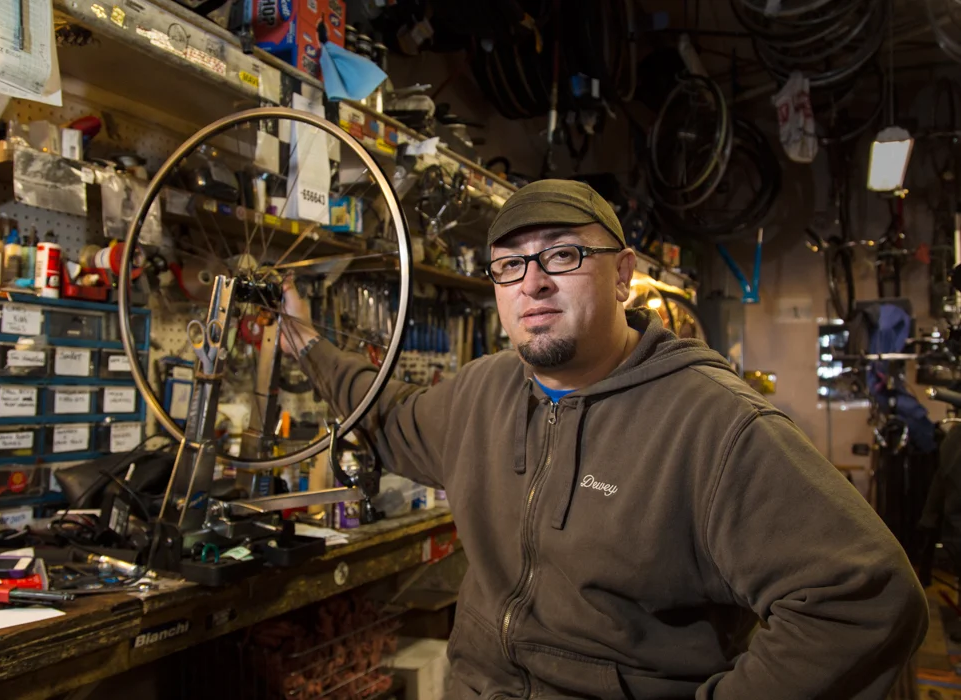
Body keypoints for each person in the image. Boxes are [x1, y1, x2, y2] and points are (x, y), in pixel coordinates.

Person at [280, 180, 928, 699]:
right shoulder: (482, 391)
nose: (532, 282)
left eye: (562, 255)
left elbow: (864, 600)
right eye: (509, 265)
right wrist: (306, 341)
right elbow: (387, 417)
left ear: (622, 275)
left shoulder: (713, 425)